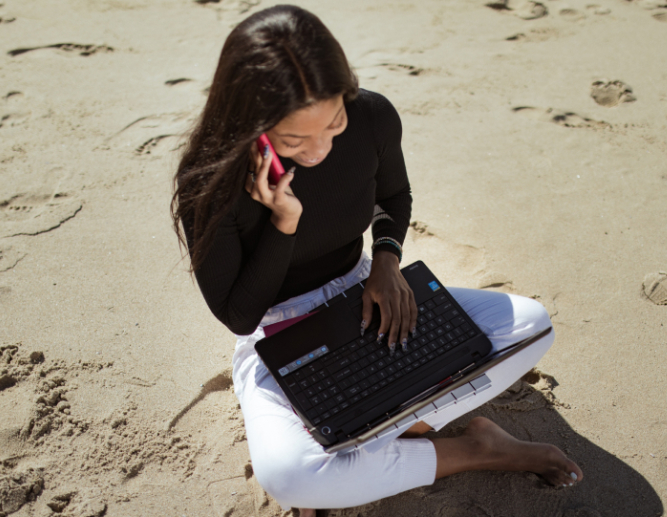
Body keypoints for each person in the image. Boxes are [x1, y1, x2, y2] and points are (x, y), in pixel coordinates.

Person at [171, 5, 582, 516]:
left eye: (334, 123)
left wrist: (386, 259)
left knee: (532, 325)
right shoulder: (207, 182)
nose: (321, 149)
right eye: (296, 140)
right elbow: (240, 315)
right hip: (279, 336)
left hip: (366, 299)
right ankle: (472, 449)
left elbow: (395, 194)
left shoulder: (371, 116)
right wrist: (283, 223)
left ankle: (368, 436)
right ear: (250, 124)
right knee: (290, 478)